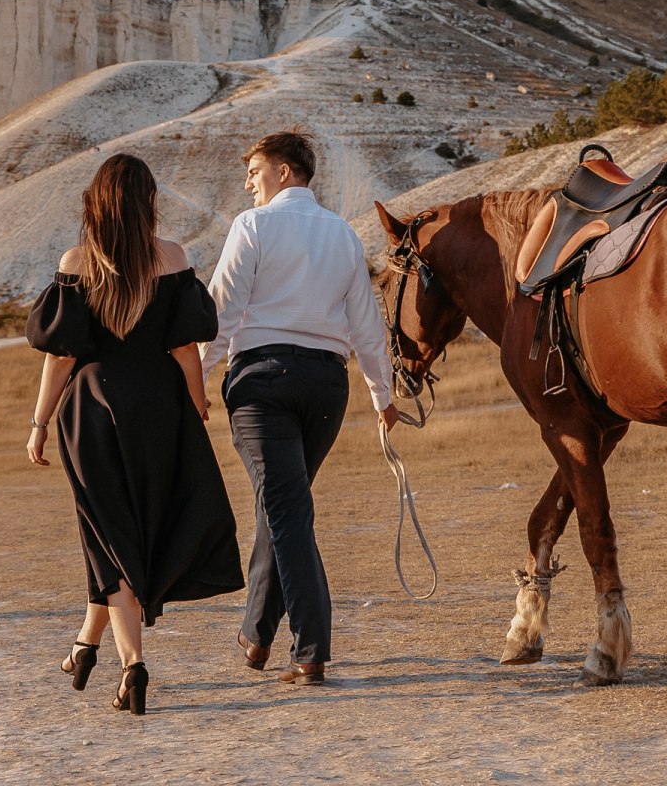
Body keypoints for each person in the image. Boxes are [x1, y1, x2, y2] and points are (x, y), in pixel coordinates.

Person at [26, 153, 243, 717]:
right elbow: (185, 351)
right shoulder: (171, 258)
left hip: (90, 411)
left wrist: (40, 421)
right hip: (159, 408)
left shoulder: (77, 263)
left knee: (109, 537)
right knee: (130, 534)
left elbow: (62, 355)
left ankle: (132, 666)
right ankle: (85, 645)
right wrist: (197, 409)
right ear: (147, 201)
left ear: (95, 203)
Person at [201, 131, 399, 686]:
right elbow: (366, 324)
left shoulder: (253, 226)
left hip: (262, 384)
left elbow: (222, 312)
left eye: (255, 171)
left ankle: (310, 649)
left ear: (285, 172)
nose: (248, 184)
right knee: (283, 504)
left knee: (286, 510)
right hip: (325, 389)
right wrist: (382, 396)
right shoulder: (343, 234)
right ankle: (257, 633)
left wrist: (196, 379)